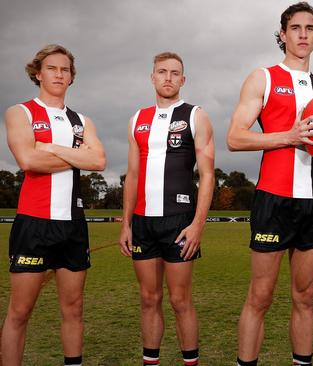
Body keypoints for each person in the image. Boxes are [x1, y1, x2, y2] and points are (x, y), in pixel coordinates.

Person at [226, 2, 313, 365]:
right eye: (295, 28)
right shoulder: (263, 77)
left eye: (310, 28)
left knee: (305, 296)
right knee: (260, 297)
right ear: (283, 34)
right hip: (274, 198)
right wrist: (289, 136)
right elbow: (235, 137)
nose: (303, 34)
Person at [1, 44, 106, 366]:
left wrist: (49, 147)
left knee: (73, 308)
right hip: (34, 222)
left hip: (73, 225)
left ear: (71, 77)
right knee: (20, 311)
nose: (59, 74)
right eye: (52, 68)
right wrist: (76, 155)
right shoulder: (20, 112)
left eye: (65, 69)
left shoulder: (81, 120)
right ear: (38, 73)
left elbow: (99, 160)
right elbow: (29, 160)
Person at [119, 52, 215, 366]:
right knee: (149, 299)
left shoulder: (195, 115)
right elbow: (131, 176)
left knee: (179, 300)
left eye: (175, 73)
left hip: (179, 223)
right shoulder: (137, 119)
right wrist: (126, 224)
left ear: (183, 80)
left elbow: (208, 173)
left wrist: (198, 225)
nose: (168, 78)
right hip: (143, 223)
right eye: (162, 72)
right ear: (153, 77)